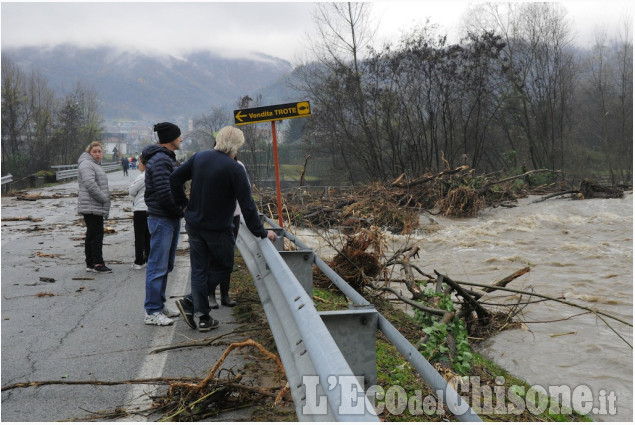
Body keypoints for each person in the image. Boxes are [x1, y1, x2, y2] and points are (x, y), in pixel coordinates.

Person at [171, 126, 277, 332]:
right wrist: (262, 232)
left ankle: (202, 316)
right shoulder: (235, 168)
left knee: (200, 269)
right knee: (224, 266)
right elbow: (247, 205)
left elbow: (174, 178)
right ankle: (192, 303)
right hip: (218, 229)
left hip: (194, 224)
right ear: (236, 145)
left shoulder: (199, 157)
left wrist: (183, 204)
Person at [142, 122, 184, 326]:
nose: (181, 139)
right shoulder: (160, 161)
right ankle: (152, 310)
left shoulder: (165, 159)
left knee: (165, 264)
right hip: (162, 218)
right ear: (170, 138)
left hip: (168, 217)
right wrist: (179, 210)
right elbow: (164, 193)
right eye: (179, 136)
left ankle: (159, 303)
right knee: (157, 265)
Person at [207, 156, 245, 309]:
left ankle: (225, 294)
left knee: (228, 255)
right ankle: (210, 294)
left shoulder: (239, 165)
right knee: (213, 255)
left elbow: (245, 190)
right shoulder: (210, 162)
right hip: (214, 216)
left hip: (233, 215)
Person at [77, 141, 112, 273]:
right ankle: (97, 263)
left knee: (92, 234)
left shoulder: (94, 164)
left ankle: (91, 263)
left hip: (93, 204)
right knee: (96, 234)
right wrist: (103, 198)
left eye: (99, 151)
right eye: (94, 151)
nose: (97, 154)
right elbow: (90, 184)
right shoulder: (87, 164)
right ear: (89, 152)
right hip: (92, 205)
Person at [129, 154, 150, 270]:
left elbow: (131, 190)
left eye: (139, 163)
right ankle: (148, 257)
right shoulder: (152, 174)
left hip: (140, 209)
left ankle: (139, 261)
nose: (138, 165)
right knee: (148, 236)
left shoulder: (142, 176)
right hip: (149, 209)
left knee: (139, 236)